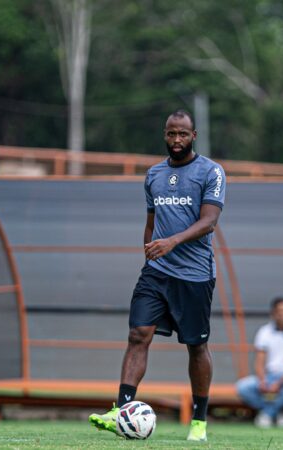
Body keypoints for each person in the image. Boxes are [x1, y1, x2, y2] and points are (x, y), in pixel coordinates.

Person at [88, 110, 226, 442]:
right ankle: (121, 410)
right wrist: (149, 252)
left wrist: (172, 242)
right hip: (157, 272)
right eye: (171, 134)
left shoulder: (211, 172)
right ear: (164, 135)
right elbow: (150, 222)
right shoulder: (154, 175)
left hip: (194, 275)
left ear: (193, 136)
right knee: (138, 334)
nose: (176, 140)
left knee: (196, 346)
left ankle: (199, 421)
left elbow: (209, 221)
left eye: (182, 134)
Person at [236, 297, 283, 429]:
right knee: (242, 386)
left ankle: (267, 415)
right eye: (281, 311)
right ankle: (278, 413)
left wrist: (280, 382)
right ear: (273, 313)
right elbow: (259, 361)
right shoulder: (264, 332)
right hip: (270, 376)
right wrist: (262, 379)